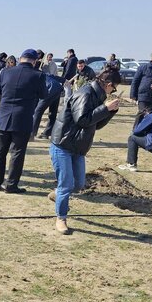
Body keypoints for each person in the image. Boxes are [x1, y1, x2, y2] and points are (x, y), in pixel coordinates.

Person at [50, 68, 121, 234]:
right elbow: (82, 120)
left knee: (78, 184)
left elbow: (96, 124)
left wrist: (110, 112)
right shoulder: (86, 94)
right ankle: (61, 218)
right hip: (63, 144)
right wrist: (104, 108)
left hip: (78, 146)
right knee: (67, 184)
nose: (113, 91)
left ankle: (58, 194)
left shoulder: (98, 95)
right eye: (114, 88)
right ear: (108, 84)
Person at [0, 49, 47, 193]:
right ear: (35, 61)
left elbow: (0, 92)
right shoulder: (38, 75)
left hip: (4, 117)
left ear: (20, 58)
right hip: (22, 118)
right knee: (17, 153)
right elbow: (43, 94)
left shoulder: (5, 72)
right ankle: (11, 185)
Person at [31, 73, 64, 139]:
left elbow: (35, 95)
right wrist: (64, 80)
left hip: (50, 89)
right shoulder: (41, 73)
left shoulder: (32, 76)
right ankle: (47, 133)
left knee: (38, 111)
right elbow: (53, 76)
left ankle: (32, 134)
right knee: (53, 112)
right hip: (58, 88)